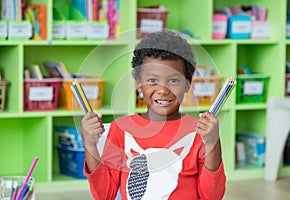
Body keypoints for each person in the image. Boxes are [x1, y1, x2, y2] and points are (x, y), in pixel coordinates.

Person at [81, 30, 226, 200]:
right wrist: (90, 145)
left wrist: (212, 143)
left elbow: (212, 196)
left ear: (188, 85)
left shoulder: (200, 132)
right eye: (152, 80)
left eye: (173, 80)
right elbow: (105, 195)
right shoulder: (121, 129)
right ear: (139, 84)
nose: (163, 90)